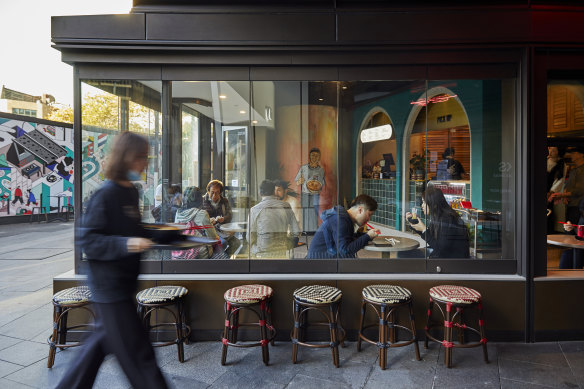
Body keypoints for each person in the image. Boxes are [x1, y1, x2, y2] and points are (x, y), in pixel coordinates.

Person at [56, 132, 168, 389]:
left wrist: (171, 234)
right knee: (141, 359)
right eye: (141, 157)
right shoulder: (106, 195)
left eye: (146, 157)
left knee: (92, 352)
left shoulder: (130, 193)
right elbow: (88, 240)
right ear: (126, 159)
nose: (145, 164)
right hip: (110, 290)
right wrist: (125, 244)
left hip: (121, 287)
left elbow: (136, 231)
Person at [306, 194, 380, 259]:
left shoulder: (343, 218)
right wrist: (367, 236)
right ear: (360, 210)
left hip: (325, 259)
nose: (369, 219)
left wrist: (362, 236)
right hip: (320, 262)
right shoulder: (340, 220)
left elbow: (345, 239)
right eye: (369, 215)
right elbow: (345, 250)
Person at [404, 186, 470, 258]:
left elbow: (440, 249)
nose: (422, 206)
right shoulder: (439, 216)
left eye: (424, 202)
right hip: (445, 256)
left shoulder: (447, 219)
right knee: (404, 254)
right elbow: (432, 238)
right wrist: (415, 224)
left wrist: (424, 229)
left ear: (434, 204)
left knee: (405, 255)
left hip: (452, 262)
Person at [248, 179, 301, 258]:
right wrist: (286, 245)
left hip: (261, 253)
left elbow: (249, 238)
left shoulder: (254, 210)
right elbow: (296, 231)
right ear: (274, 192)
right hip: (282, 251)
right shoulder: (286, 206)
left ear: (259, 193)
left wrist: (257, 249)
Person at [173, 186, 221, 259]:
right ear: (199, 199)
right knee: (222, 242)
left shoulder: (178, 213)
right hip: (199, 255)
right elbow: (213, 237)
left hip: (180, 254)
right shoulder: (202, 213)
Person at [201, 179, 240, 254]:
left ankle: (225, 259)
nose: (214, 195)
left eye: (217, 193)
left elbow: (229, 215)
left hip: (221, 230)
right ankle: (220, 259)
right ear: (208, 191)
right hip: (207, 232)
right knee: (221, 243)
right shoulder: (202, 200)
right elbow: (198, 218)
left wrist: (223, 219)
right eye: (212, 192)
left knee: (236, 243)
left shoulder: (224, 201)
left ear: (220, 193)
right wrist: (208, 220)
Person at [549, 146, 584, 223]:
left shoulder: (581, 170)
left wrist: (563, 195)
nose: (571, 155)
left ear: (581, 155)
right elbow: (568, 185)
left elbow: (580, 190)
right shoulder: (574, 169)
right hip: (571, 205)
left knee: (573, 231)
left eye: (574, 153)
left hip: (577, 206)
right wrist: (565, 194)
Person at [295, 147, 325, 233]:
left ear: (319, 157)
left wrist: (318, 186)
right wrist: (299, 181)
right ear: (309, 156)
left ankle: (313, 230)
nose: (314, 157)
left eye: (316, 155)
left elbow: (322, 183)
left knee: (314, 210)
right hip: (305, 193)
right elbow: (297, 181)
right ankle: (304, 230)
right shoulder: (303, 168)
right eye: (312, 155)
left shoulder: (321, 170)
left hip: (316, 194)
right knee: (304, 210)